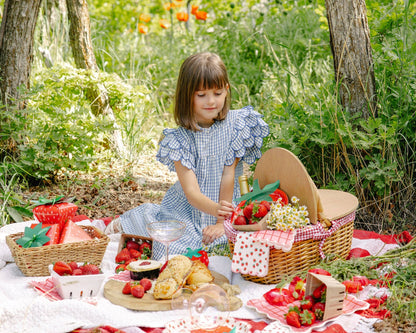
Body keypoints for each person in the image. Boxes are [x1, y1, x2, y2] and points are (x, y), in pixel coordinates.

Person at [106, 52, 269, 260]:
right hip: (188, 208)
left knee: (232, 244)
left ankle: (219, 232)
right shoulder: (179, 139)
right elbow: (191, 192)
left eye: (218, 93)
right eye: (201, 95)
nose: (211, 101)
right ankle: (125, 223)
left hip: (227, 204)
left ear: (226, 90)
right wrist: (215, 210)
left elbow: (228, 176)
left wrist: (221, 223)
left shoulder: (236, 125)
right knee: (172, 250)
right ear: (187, 95)